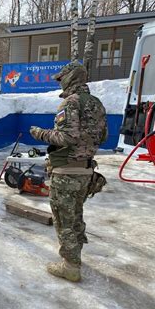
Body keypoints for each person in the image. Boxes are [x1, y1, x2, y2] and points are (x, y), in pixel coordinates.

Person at [29, 61, 108, 282]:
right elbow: (102, 136)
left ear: (69, 78)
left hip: (66, 171)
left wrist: (40, 133)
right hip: (85, 171)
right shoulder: (96, 103)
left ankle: (70, 266)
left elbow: (66, 137)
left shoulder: (70, 103)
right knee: (75, 217)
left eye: (61, 78)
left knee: (64, 220)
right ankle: (76, 257)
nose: (59, 82)